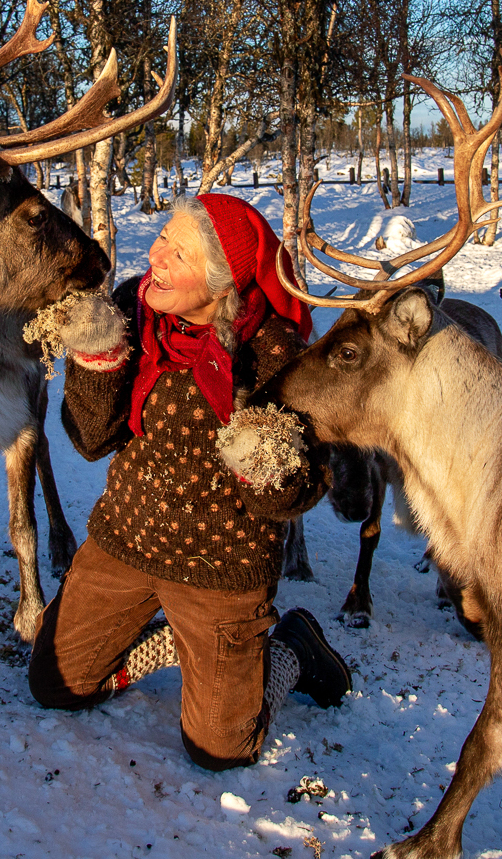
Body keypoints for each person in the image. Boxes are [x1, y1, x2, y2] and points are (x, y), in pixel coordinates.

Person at [28, 192, 350, 770]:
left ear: (223, 285)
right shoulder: (133, 308)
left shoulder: (276, 354)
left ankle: (291, 652)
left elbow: (299, 493)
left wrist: (267, 459)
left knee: (220, 750)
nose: (157, 256)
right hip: (124, 543)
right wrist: (95, 357)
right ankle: (176, 640)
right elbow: (91, 440)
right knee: (55, 688)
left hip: (220, 570)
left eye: (181, 253)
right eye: (162, 237)